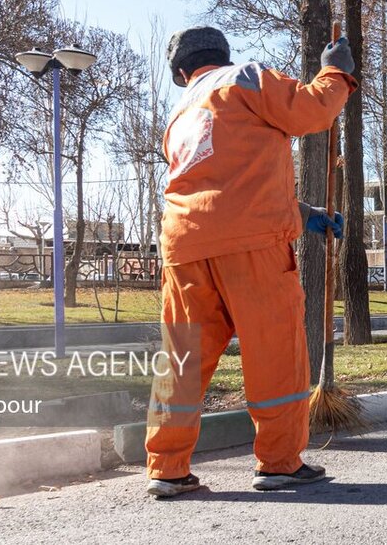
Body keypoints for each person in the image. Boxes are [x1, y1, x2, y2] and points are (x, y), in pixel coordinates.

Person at [145, 25, 356, 497]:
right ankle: (279, 462)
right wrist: (336, 71)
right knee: (274, 349)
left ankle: (167, 468)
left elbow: (219, 182)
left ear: (182, 72)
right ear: (222, 54)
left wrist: (304, 214)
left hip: (182, 248)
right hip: (251, 246)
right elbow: (312, 111)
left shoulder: (180, 114)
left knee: (183, 358)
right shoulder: (245, 77)